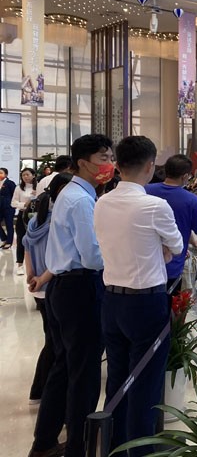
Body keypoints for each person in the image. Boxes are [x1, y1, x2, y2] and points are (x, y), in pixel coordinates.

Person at [95, 136, 183, 456]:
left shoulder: (102, 202)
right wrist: (159, 250)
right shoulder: (154, 206)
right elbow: (176, 246)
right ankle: (141, 452)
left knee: (117, 381)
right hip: (146, 303)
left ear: (117, 165)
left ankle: (116, 448)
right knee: (145, 386)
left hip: (111, 301)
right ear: (150, 166)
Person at [30, 133, 113, 457]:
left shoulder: (73, 194)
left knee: (65, 367)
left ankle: (45, 441)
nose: (109, 164)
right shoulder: (80, 200)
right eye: (103, 158)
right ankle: (78, 445)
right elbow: (91, 257)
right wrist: (119, 258)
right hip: (80, 289)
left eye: (111, 157)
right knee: (84, 372)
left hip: (64, 288)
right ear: (82, 163)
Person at [24, 173, 73, 407]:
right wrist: (42, 279)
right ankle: (43, 391)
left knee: (51, 340)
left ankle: (39, 391)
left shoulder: (35, 221)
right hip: (53, 285)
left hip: (40, 288)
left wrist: (32, 277)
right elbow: (59, 260)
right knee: (56, 344)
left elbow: (27, 247)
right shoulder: (58, 222)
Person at [146, 154, 197, 294]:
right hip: (171, 267)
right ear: (185, 176)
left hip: (142, 265)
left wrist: (193, 242)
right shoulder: (191, 200)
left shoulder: (146, 191)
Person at [13, 167, 37, 274]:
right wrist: (24, 204)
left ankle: (35, 264)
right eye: (23, 175)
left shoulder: (39, 186)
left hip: (36, 215)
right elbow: (13, 202)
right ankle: (20, 264)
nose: (25, 177)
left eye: (27, 174)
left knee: (36, 239)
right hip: (23, 215)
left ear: (33, 175)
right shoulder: (19, 188)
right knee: (21, 239)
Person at [0, 167, 16, 250]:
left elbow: (14, 195)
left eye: (1, 173)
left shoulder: (10, 183)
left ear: (6, 174)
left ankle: (9, 242)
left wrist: (13, 204)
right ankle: (4, 238)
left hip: (8, 207)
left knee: (9, 224)